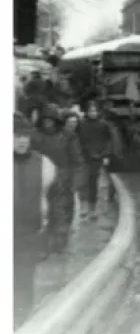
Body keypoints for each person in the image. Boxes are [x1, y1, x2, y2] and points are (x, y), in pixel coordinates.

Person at [14, 112, 55, 329]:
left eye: (24, 135)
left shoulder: (43, 164)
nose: (21, 140)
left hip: (29, 234)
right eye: (15, 135)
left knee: (25, 280)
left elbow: (53, 199)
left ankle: (22, 325)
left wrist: (51, 233)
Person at [32, 105, 85, 254]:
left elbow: (78, 161)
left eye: (50, 120)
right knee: (43, 213)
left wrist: (76, 183)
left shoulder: (68, 136)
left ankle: (60, 242)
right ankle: (45, 244)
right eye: (45, 120)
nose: (47, 123)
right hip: (42, 179)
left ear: (56, 121)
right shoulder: (35, 136)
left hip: (64, 181)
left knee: (62, 212)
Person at [77, 100, 114, 222]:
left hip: (97, 158)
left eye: (94, 110)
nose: (93, 113)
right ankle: (84, 206)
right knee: (83, 182)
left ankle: (92, 209)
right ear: (87, 112)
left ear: (98, 112)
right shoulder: (81, 124)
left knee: (93, 182)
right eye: (90, 110)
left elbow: (109, 140)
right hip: (84, 157)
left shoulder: (103, 125)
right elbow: (78, 140)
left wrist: (105, 154)